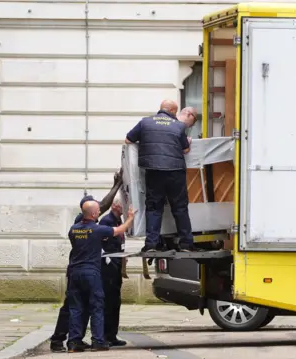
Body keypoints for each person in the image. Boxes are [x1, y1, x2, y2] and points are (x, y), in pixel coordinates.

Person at [49, 170, 123, 353]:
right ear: (87, 211)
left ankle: (75, 340)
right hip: (82, 270)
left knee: (77, 306)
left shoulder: (82, 223)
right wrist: (116, 186)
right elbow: (104, 205)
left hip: (78, 270)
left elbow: (102, 206)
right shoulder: (82, 221)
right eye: (95, 208)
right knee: (72, 307)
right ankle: (59, 339)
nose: (98, 209)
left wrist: (116, 186)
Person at [125, 103, 199, 252]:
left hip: (154, 171)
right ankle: (186, 244)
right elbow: (185, 149)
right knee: (179, 208)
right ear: (172, 111)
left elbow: (128, 140)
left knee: (154, 208)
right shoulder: (178, 126)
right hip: (175, 171)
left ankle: (151, 244)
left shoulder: (145, 122)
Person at [67, 200, 135, 353]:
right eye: (97, 211)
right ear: (92, 214)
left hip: (75, 273)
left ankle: (74, 342)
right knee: (97, 306)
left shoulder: (73, 230)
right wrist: (130, 218)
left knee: (76, 307)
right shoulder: (97, 230)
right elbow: (120, 230)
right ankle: (98, 341)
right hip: (91, 272)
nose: (99, 213)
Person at [99, 197, 127, 347]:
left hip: (116, 266)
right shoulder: (106, 221)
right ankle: (104, 335)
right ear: (116, 206)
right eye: (123, 206)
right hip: (108, 267)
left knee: (116, 301)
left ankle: (112, 335)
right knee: (108, 302)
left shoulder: (118, 221)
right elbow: (105, 245)